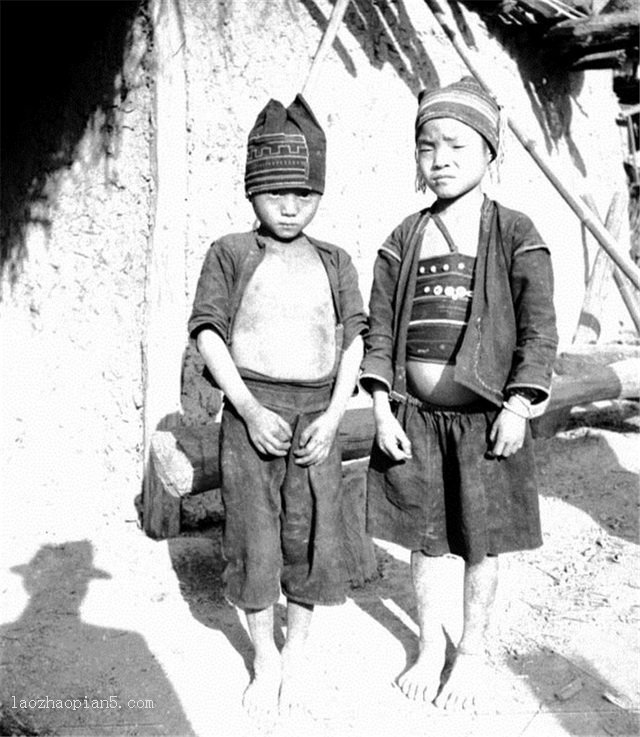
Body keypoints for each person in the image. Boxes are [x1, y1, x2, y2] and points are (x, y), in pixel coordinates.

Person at [360, 76, 558, 712]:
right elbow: (381, 326)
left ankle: (469, 652)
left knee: (481, 540)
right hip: (416, 420)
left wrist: (520, 405)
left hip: (485, 420)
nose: (440, 159)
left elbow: (539, 328)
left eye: (455, 145)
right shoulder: (404, 238)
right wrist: (383, 405)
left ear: (489, 154)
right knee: (424, 538)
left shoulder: (515, 233)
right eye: (427, 146)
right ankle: (427, 646)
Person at [188, 94, 366, 722]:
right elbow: (209, 331)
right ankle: (265, 657)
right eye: (277, 193)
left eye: (305, 194)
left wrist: (335, 415)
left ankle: (299, 658)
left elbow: (354, 340)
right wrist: (246, 405)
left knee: (312, 536)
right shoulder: (232, 252)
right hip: (251, 418)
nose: (291, 206)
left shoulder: (335, 259)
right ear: (252, 192)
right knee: (255, 539)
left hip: (318, 416)